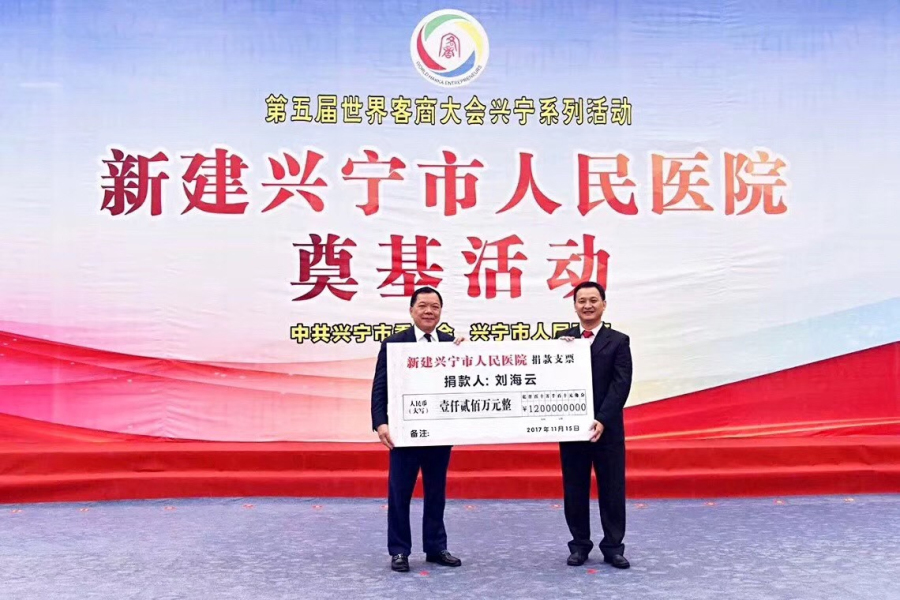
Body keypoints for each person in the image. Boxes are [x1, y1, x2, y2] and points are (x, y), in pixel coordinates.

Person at [370, 286, 464, 573]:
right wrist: (380, 422)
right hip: (405, 432)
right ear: (411, 310)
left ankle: (436, 547)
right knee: (400, 493)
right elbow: (380, 387)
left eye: (434, 306)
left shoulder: (451, 344)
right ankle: (399, 550)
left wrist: (467, 354)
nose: (428, 311)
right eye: (422, 305)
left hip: (439, 432)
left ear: (441, 312)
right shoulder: (394, 344)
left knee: (436, 492)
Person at [555, 281, 633, 569]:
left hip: (607, 429)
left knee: (612, 489)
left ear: (603, 304)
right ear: (574, 306)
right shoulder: (562, 340)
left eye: (593, 300)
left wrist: (602, 418)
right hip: (572, 429)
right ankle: (579, 545)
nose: (587, 306)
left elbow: (621, 384)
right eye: (581, 301)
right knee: (574, 488)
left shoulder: (619, 341)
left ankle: (613, 547)